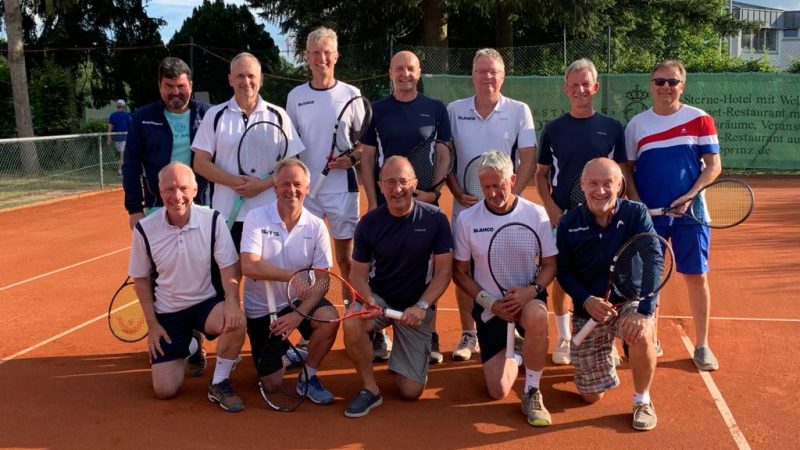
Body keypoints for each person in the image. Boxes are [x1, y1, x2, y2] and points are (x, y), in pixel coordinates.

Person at [623, 59, 721, 371]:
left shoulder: (700, 119)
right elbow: (627, 169)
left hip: (691, 215)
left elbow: (714, 166)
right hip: (650, 216)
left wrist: (690, 196)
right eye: (659, 81)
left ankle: (702, 345)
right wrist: (638, 203)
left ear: (682, 85)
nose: (665, 87)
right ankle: (651, 336)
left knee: (696, 276)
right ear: (651, 84)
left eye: (672, 82)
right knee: (650, 279)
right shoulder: (636, 125)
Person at [128, 162, 246, 412]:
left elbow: (229, 268)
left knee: (237, 321)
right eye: (169, 189)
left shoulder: (213, 220)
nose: (177, 196)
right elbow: (141, 280)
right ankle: (190, 345)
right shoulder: (144, 229)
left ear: (195, 190)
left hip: (206, 304)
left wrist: (232, 303)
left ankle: (219, 381)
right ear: (160, 191)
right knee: (165, 390)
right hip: (168, 312)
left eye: (183, 188)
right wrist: (152, 325)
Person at [359, 50, 452, 364]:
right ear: (390, 72)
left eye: (410, 68)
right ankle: (380, 333)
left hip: (423, 201)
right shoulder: (377, 110)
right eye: (398, 69)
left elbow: (444, 152)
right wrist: (373, 201)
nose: (405, 74)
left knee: (428, 268)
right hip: (388, 201)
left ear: (419, 72)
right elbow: (368, 158)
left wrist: (433, 192)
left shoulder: (436, 108)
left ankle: (429, 333)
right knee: (381, 264)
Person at [342, 156, 453, 418]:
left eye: (403, 181)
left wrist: (422, 306)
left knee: (410, 391)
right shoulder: (369, 223)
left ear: (414, 184)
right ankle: (370, 388)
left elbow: (443, 272)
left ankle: (401, 356)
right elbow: (357, 275)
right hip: (380, 300)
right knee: (352, 321)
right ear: (380, 186)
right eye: (390, 182)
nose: (397, 189)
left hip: (415, 307)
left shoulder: (436, 218)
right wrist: (369, 301)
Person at [452, 151, 557, 427]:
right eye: (486, 187)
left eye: (498, 185)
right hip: (491, 308)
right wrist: (492, 304)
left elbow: (550, 265)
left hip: (528, 299)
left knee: (537, 316)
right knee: (497, 390)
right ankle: (520, 350)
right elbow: (459, 273)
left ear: (512, 180)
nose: (492, 193)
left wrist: (530, 291)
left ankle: (532, 391)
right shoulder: (467, 220)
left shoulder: (536, 214)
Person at [122, 56, 212, 376]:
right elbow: (131, 166)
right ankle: (164, 336)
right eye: (169, 86)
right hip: (156, 211)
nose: (176, 92)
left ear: (191, 86)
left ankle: (195, 342)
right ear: (160, 86)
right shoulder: (143, 118)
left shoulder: (207, 115)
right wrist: (134, 208)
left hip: (200, 211)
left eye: (181, 86)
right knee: (160, 279)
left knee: (200, 275)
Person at [534, 58, 627, 365]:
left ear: (595, 87)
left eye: (585, 84)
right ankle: (564, 337)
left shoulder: (612, 128)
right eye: (574, 85)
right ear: (566, 89)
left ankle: (605, 338)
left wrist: (617, 210)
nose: (580, 90)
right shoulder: (553, 129)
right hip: (564, 217)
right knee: (562, 276)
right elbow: (541, 174)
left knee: (604, 276)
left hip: (603, 218)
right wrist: (551, 208)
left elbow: (621, 174)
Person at [446, 48, 537, 362]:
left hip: (506, 209)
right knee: (463, 268)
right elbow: (446, 158)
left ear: (503, 76)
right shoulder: (454, 110)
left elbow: (528, 159)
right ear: (473, 76)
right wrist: (457, 191)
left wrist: (511, 198)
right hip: (467, 207)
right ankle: (468, 333)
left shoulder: (519, 110)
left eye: (493, 72)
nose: (487, 77)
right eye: (481, 71)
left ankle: (516, 330)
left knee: (509, 266)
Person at [556, 157, 659, 431]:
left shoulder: (636, 214)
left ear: (620, 185)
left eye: (607, 184)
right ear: (582, 185)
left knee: (641, 334)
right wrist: (586, 300)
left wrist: (645, 312)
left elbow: (653, 259)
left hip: (629, 301)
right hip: (590, 309)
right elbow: (563, 273)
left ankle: (642, 401)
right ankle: (607, 352)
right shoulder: (568, 223)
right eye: (593, 184)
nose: (600, 191)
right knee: (590, 396)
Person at [240, 158, 339, 406]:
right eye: (285, 184)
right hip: (263, 309)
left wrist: (298, 315)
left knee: (329, 318)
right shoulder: (256, 217)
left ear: (307, 188)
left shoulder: (316, 226)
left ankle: (309, 376)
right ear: (275, 188)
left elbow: (323, 280)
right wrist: (291, 277)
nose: (291, 190)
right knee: (272, 385)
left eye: (297, 184)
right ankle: (286, 356)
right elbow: (249, 265)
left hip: (299, 303)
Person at [193, 52, 304, 250]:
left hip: (270, 215)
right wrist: (236, 182)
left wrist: (262, 185)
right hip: (226, 215)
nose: (246, 81)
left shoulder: (279, 116)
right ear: (230, 79)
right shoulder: (214, 115)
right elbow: (200, 164)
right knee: (229, 270)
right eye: (240, 76)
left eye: (251, 76)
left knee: (265, 270)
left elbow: (292, 167)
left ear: (261, 79)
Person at [286, 27, 361, 281]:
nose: (322, 59)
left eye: (327, 52)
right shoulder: (296, 97)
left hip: (343, 191)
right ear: (307, 57)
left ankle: (352, 303)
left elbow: (365, 144)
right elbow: (291, 147)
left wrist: (351, 158)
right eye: (316, 53)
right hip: (308, 193)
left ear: (336, 56)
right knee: (307, 258)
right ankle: (312, 302)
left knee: (345, 259)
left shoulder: (351, 94)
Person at [108, 99, 132, 176]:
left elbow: (110, 126)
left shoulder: (114, 115)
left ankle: (121, 170)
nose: (119, 108)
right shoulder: (126, 115)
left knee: (122, 154)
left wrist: (109, 137)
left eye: (120, 106)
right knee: (122, 154)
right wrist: (109, 137)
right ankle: (120, 170)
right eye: (119, 106)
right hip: (122, 138)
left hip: (120, 138)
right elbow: (110, 126)